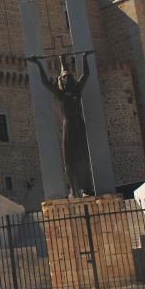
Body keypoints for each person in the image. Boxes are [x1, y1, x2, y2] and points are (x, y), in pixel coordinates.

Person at [28, 52, 94, 197]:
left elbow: (86, 74)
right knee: (69, 159)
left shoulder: (77, 90)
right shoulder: (60, 94)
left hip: (79, 124)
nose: (67, 78)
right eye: (64, 77)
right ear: (61, 80)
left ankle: (85, 188)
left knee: (83, 156)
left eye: (69, 76)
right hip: (68, 125)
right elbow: (45, 82)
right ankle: (74, 189)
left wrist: (84, 57)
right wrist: (38, 64)